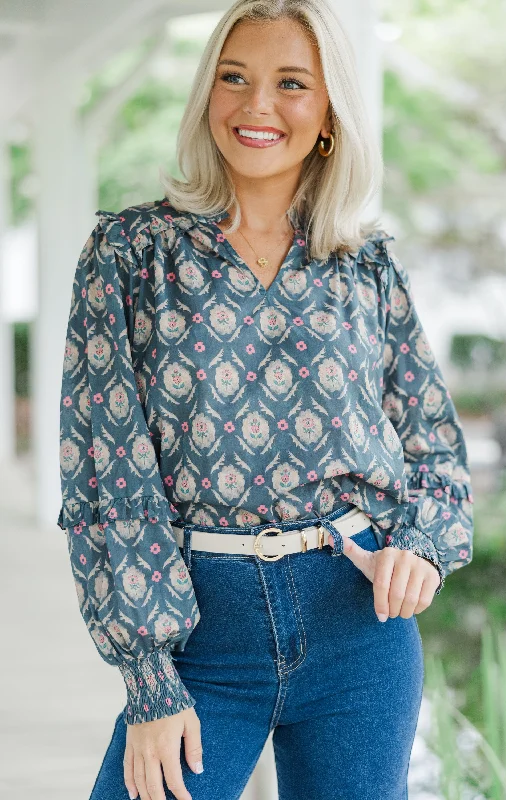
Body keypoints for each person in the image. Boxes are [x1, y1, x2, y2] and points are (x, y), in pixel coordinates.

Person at [57, 1, 474, 798]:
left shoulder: (365, 263)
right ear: (207, 96)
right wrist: (149, 676)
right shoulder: (129, 255)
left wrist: (422, 545)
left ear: (326, 113)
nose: (255, 106)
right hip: (198, 633)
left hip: (359, 631)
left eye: (290, 83)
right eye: (234, 78)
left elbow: (434, 446)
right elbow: (108, 471)